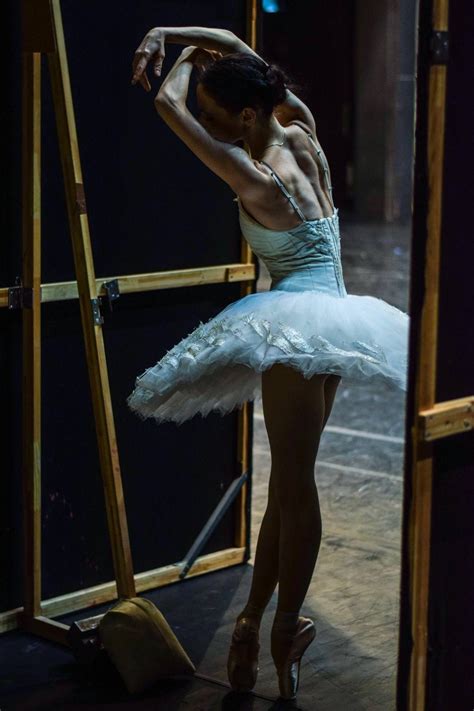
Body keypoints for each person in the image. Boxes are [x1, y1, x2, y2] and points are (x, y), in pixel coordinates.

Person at [128, 26, 409, 700]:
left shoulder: (252, 175)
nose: (214, 126)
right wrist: (175, 34)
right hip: (337, 318)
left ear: (245, 115)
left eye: (220, 116)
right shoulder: (298, 122)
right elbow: (231, 41)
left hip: (294, 329)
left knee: (296, 486)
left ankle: (281, 626)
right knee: (290, 483)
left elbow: (168, 106)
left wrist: (178, 55)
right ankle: (260, 624)